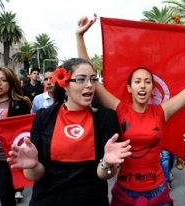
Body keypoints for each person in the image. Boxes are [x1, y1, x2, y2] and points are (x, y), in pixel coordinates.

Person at [76, 14, 185, 205]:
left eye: (147, 82)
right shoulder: (120, 108)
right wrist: (80, 37)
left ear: (153, 88)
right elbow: (92, 80)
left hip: (158, 192)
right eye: (137, 82)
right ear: (130, 88)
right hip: (125, 193)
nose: (142, 86)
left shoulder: (162, 111)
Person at [7, 58, 132, 206]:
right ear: (66, 85)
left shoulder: (106, 118)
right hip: (47, 201)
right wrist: (32, 165)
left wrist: (107, 163)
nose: (89, 85)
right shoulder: (44, 117)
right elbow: (35, 175)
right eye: (81, 79)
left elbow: (105, 174)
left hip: (92, 200)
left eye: (93, 79)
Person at [0, 67, 31, 206]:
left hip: (5, 159)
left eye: (3, 80)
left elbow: (24, 131)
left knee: (6, 196)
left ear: (11, 83)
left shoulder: (20, 104)